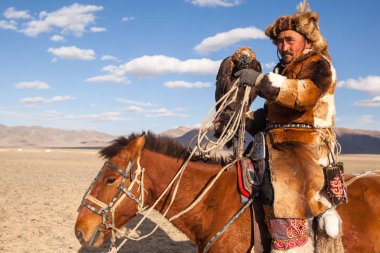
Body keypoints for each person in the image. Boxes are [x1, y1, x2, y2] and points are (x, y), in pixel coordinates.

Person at [233, 1, 346, 252]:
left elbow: (304, 96)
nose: (283, 46)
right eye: (279, 42)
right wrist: (240, 119)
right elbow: (273, 116)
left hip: (306, 146)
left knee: (285, 198)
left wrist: (262, 82)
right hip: (276, 145)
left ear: (306, 41)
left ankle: (294, 245)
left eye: (289, 40)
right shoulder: (281, 69)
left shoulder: (318, 64)